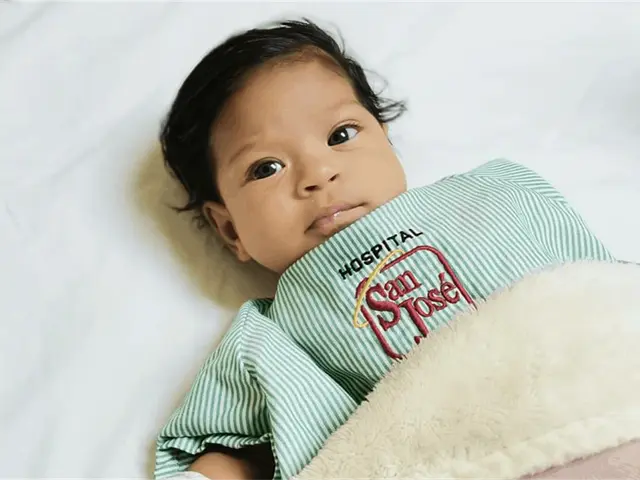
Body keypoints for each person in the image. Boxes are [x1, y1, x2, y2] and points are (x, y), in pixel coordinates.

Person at [155, 19, 613, 480]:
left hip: (594, 406)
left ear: (386, 141)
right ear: (230, 229)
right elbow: (227, 447)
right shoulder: (272, 336)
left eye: (340, 135)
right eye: (266, 168)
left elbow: (604, 287)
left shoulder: (491, 194)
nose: (318, 174)